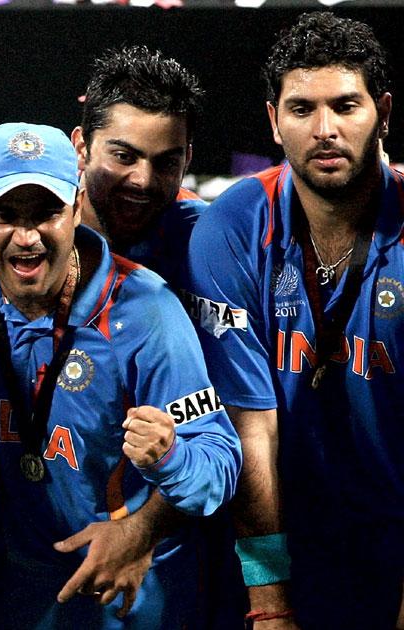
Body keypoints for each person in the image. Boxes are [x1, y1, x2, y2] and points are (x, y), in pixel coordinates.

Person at [0, 122, 242, 628]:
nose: (27, 238)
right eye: (3, 215)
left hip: (119, 587)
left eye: (46, 213)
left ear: (77, 207)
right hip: (2, 576)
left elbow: (220, 461)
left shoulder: (146, 313)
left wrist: (170, 458)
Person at [186, 12, 402, 629]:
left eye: (346, 106)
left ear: (383, 113)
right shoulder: (232, 228)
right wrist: (271, 602)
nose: (325, 130)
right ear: (274, 121)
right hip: (282, 535)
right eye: (302, 109)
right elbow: (251, 427)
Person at [0, 47, 205, 288]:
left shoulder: (201, 232)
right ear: (81, 148)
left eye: (167, 162)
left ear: (187, 159)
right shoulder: (38, 175)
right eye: (124, 156)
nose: (143, 180)